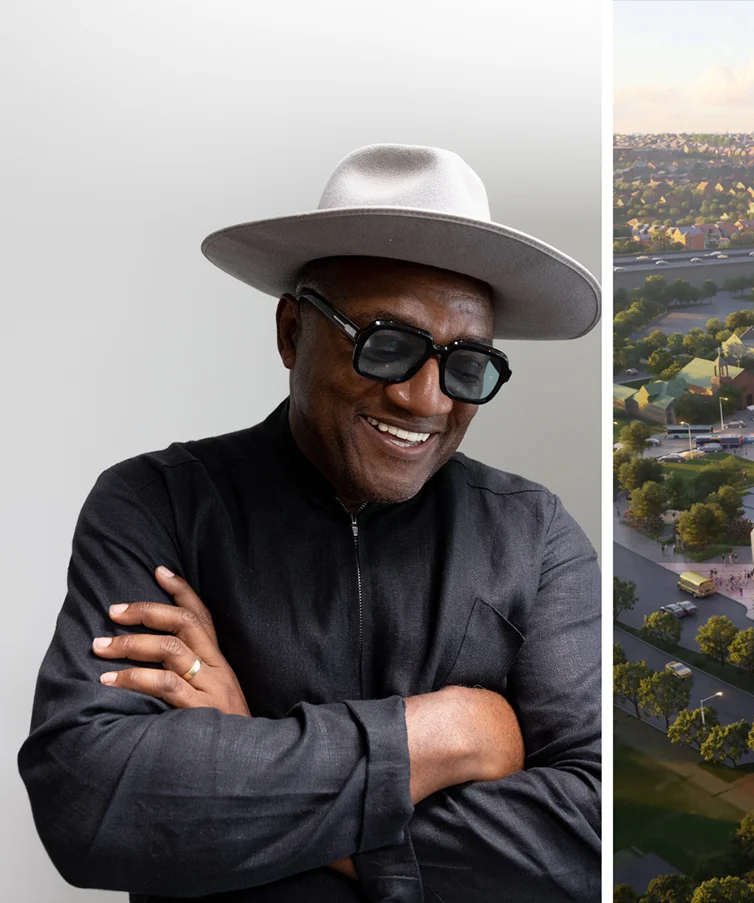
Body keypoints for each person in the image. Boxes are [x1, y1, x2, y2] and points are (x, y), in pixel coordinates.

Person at [18, 146, 602, 902]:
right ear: (293, 332)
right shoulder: (155, 504)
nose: (426, 400)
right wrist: (452, 734)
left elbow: (586, 839)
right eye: (388, 344)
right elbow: (91, 805)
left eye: (467, 365)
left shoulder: (538, 536)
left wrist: (243, 745)